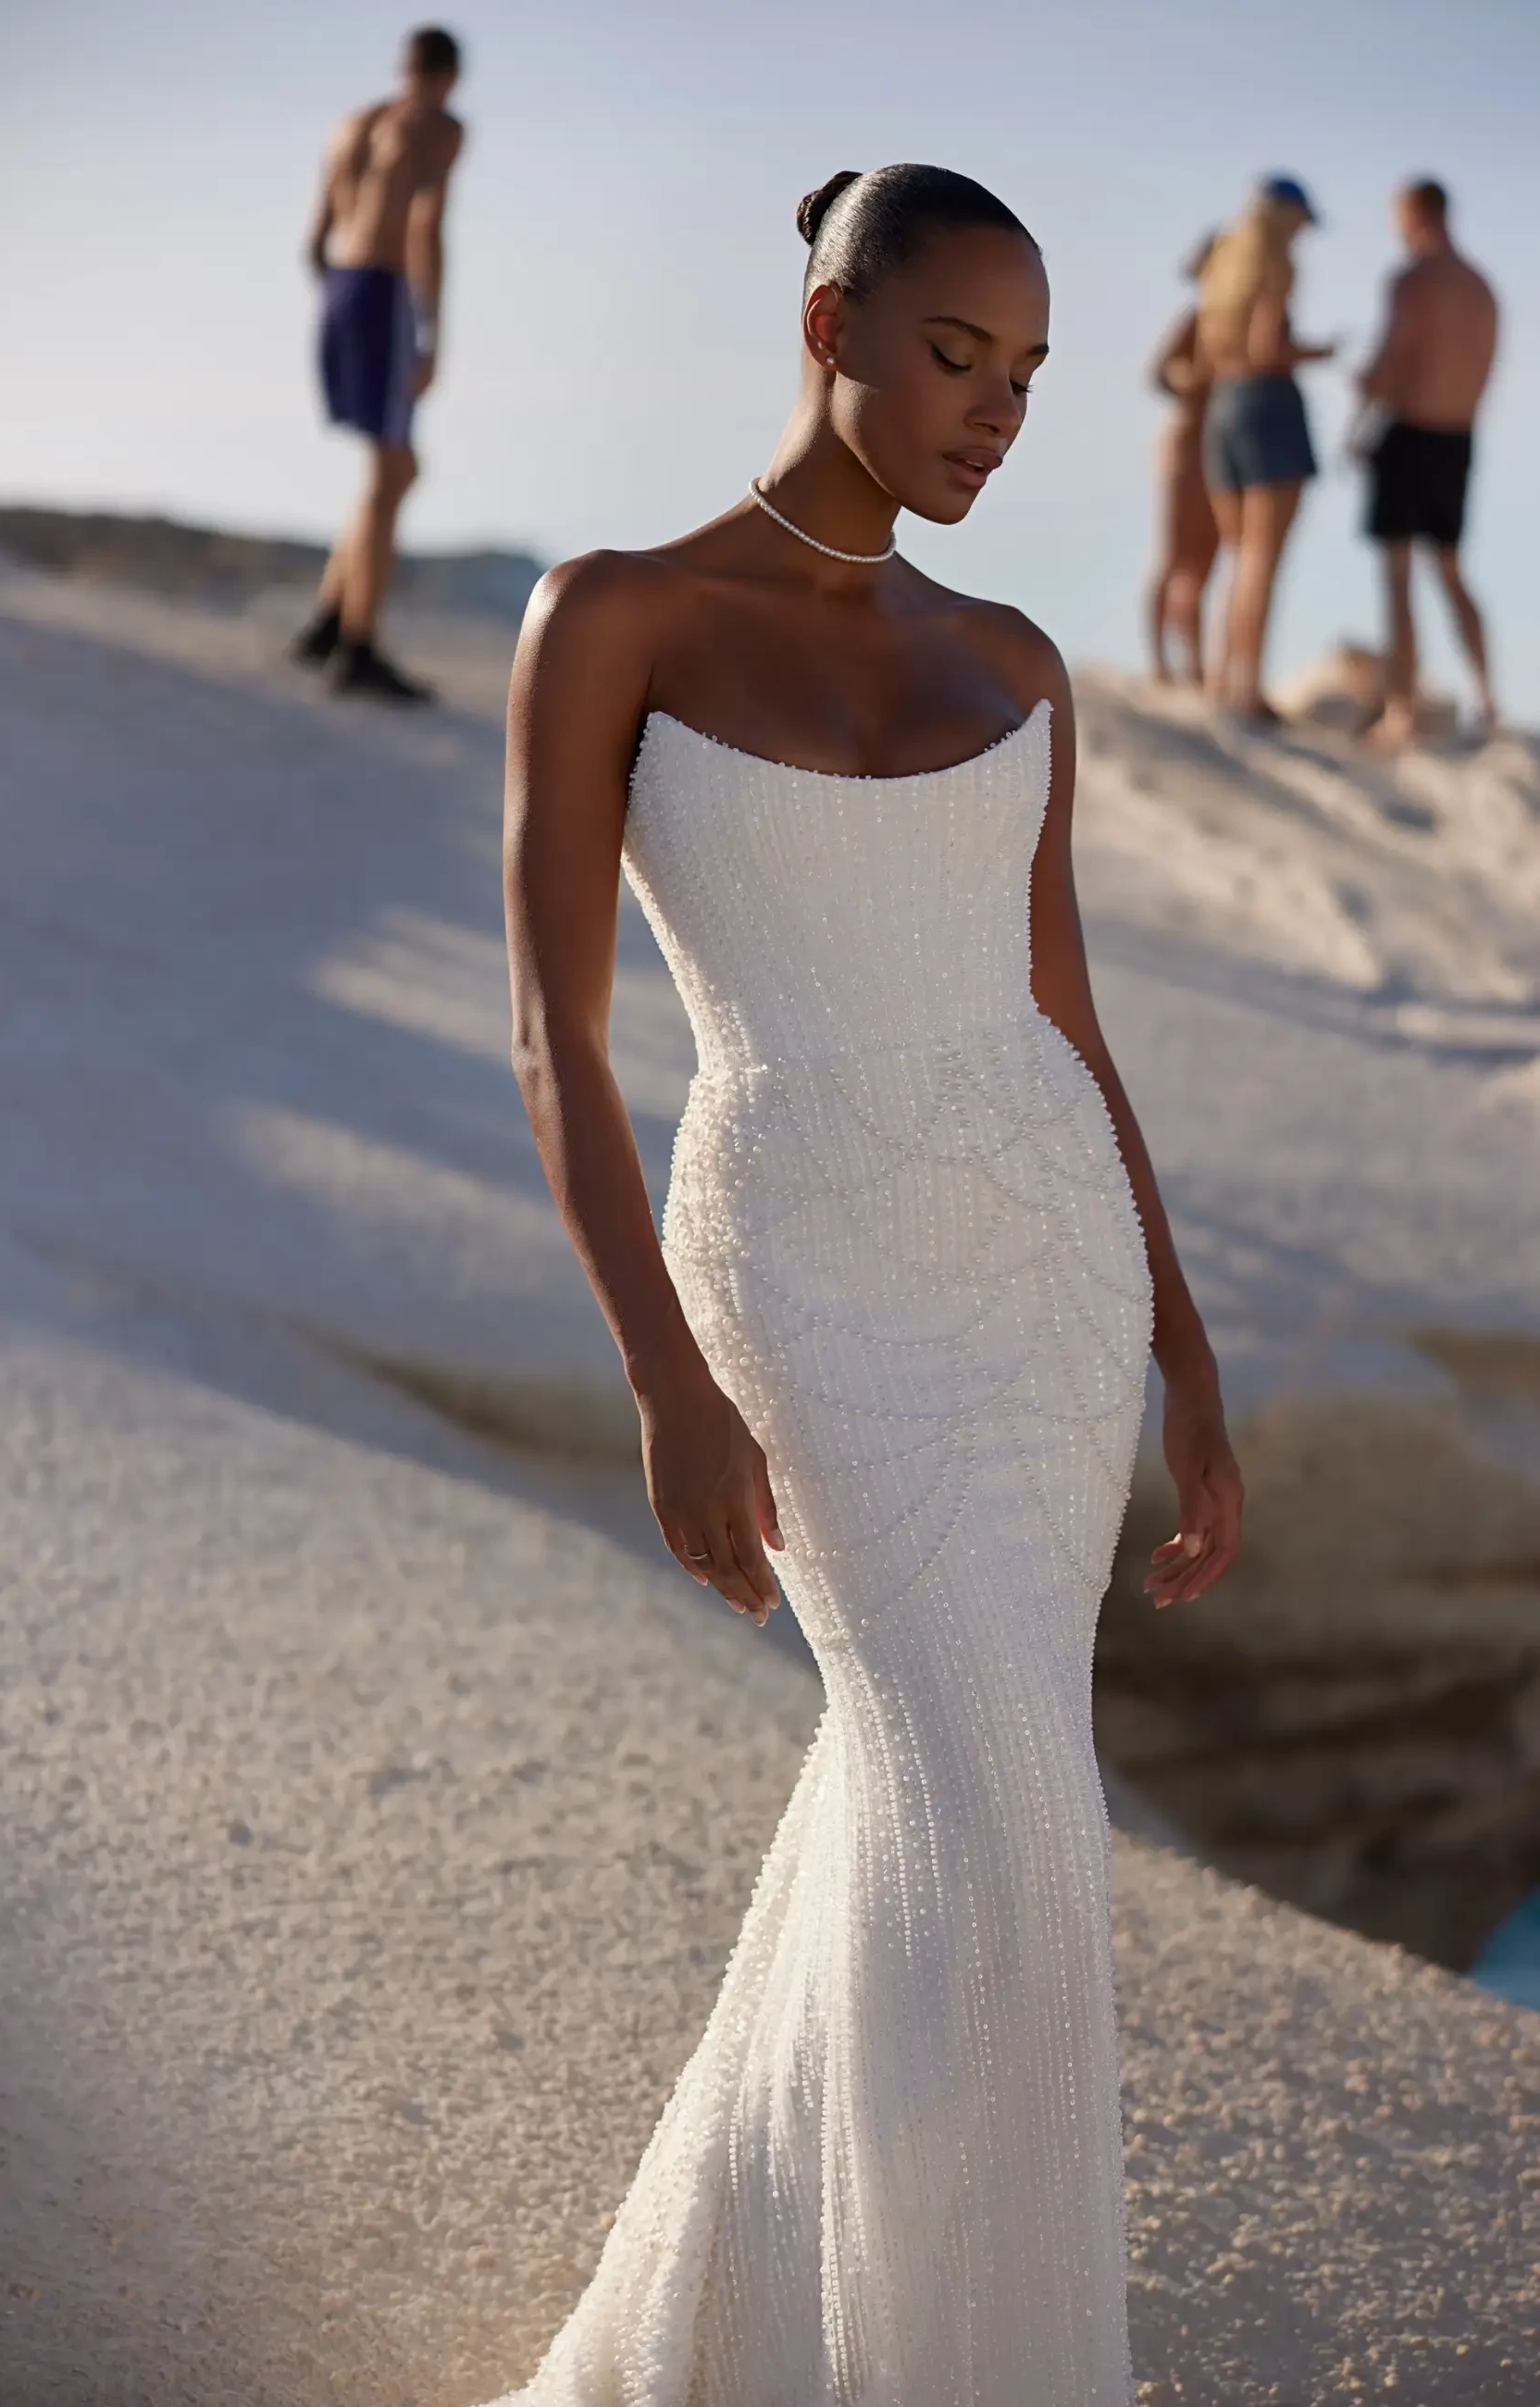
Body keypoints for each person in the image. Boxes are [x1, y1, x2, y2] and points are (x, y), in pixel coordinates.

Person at [488, 164, 1242, 2405]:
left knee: (954, 1818)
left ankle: (782, 2334)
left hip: (1034, 1280)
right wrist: (658, 1373)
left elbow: (1066, 1027)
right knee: (972, 1810)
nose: (993, 413)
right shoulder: (607, 614)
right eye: (951, 354)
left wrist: (1182, 1350)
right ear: (829, 320)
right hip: (796, 1274)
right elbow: (557, 1030)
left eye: (1023, 379)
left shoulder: (1009, 665)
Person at [291, 26, 466, 702]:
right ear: (450, 75)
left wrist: (344, 298)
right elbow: (426, 224)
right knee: (394, 467)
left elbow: (315, 241)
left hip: (343, 287)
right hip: (385, 290)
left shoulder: (350, 126)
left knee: (387, 469)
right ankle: (357, 645)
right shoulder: (437, 128)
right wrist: (430, 334)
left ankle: (331, 622)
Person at [1352, 179, 1499, 748]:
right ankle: (1488, 701)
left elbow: (1392, 360)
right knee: (1451, 572)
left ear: (1413, 214)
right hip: (1458, 438)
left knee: (1399, 579)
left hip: (1410, 435)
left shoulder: (1412, 279)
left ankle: (1402, 713)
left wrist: (1361, 411)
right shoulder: (1482, 288)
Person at [1197, 175, 1334, 722]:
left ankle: (1221, 677)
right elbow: (1267, 348)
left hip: (1223, 406)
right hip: (1269, 406)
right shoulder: (1277, 266)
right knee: (1262, 558)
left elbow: (1219, 351)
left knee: (1237, 558)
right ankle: (1246, 687)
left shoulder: (1222, 266)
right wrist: (1316, 353)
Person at [1144, 231, 1220, 685]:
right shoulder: (1199, 318)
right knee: (1173, 556)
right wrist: (1191, 383)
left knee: (1205, 563)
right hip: (1186, 445)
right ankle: (1160, 663)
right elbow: (1161, 371)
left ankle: (1194, 665)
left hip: (1218, 449)